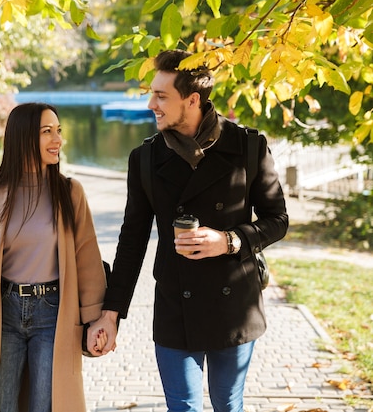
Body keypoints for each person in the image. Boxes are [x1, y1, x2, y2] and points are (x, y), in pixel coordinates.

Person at [88, 49, 289, 412]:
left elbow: (278, 220)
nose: (151, 103)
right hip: (174, 306)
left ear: (192, 100)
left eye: (161, 95)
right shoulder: (146, 158)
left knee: (228, 404)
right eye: (152, 93)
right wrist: (110, 312)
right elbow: (132, 240)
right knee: (183, 407)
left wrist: (228, 241)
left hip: (236, 305)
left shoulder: (247, 147)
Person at [0, 102, 108, 412]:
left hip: (53, 313)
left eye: (59, 131)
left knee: (48, 404)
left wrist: (97, 320)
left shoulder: (70, 192)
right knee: (2, 403)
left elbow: (88, 260)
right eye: (47, 132)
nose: (58, 140)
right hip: (4, 312)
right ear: (23, 137)